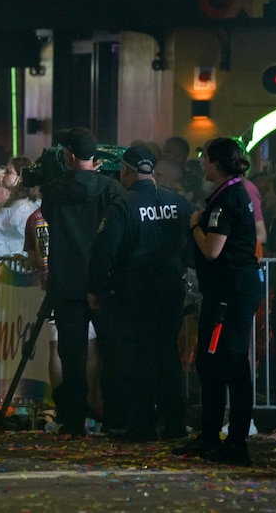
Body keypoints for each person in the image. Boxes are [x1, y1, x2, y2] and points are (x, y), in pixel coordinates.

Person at [87, 146, 193, 442]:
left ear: (126, 170)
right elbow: (192, 239)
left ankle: (142, 424)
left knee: (136, 359)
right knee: (167, 355)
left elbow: (105, 250)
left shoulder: (124, 205)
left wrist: (95, 288)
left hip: (135, 294)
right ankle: (173, 422)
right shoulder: (177, 202)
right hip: (170, 292)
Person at [173, 137, 262, 466]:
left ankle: (235, 442)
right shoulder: (233, 192)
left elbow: (212, 249)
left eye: (205, 158)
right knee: (210, 365)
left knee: (231, 364)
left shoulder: (227, 199)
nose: (202, 164)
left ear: (217, 163)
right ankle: (210, 435)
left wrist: (195, 223)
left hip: (230, 294)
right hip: (227, 292)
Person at [40, 127, 124, 436]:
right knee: (110, 352)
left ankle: (72, 419)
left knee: (71, 355)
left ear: (70, 156)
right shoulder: (109, 189)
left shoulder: (55, 189)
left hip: (67, 282)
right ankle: (114, 415)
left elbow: (47, 214)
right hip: (103, 283)